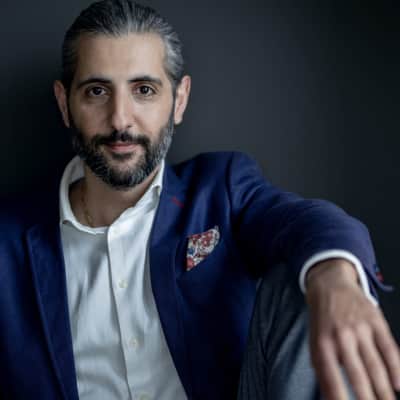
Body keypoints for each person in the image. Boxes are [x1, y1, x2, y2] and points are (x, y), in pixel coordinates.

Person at [0, 1, 398, 399]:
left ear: (179, 100)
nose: (120, 119)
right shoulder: (8, 244)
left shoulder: (220, 188)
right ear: (64, 104)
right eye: (97, 91)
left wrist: (334, 276)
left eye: (143, 90)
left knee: (310, 269)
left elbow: (306, 221)